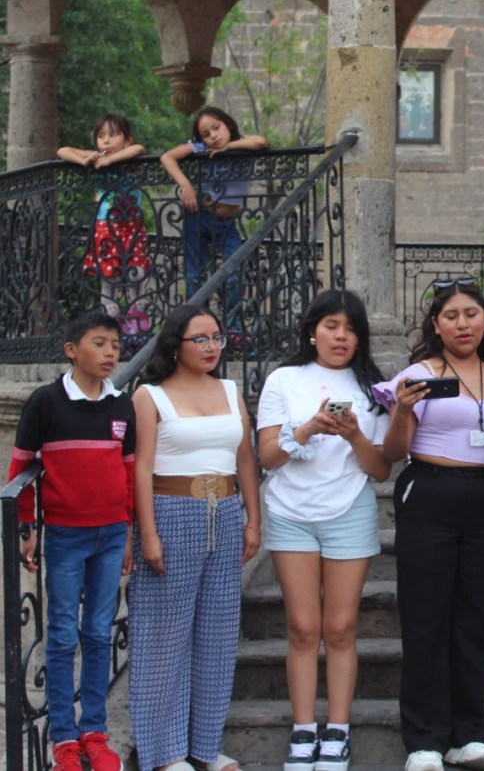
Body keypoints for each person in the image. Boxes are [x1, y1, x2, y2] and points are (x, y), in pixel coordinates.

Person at [375, 279, 484, 771]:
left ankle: (470, 733)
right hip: (429, 493)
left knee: (477, 620)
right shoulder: (420, 374)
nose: (463, 324)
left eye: (472, 314)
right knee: (426, 618)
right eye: (451, 315)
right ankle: (425, 739)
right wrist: (404, 410)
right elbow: (393, 454)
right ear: (435, 324)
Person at [256, 290, 391, 771]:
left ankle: (337, 731)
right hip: (291, 511)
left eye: (351, 329)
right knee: (302, 627)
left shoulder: (375, 389)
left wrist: (355, 433)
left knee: (339, 627)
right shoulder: (283, 379)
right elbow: (267, 457)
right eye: (332, 326)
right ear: (312, 330)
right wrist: (309, 428)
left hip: (348, 510)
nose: (341, 336)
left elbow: (380, 472)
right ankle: (302, 731)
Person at [128, 305, 261, 771]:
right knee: (163, 635)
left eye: (217, 337)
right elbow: (141, 468)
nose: (211, 347)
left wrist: (253, 518)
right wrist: (147, 533)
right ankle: (163, 753)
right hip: (171, 509)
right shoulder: (150, 396)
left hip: (224, 510)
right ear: (174, 345)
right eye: (199, 339)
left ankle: (205, 745)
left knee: (218, 634)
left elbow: (245, 458)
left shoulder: (230, 390)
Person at [7, 311, 136, 771]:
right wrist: (28, 528)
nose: (109, 352)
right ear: (71, 350)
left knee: (99, 632)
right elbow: (20, 467)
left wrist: (127, 532)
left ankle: (94, 733)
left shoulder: (122, 405)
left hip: (109, 537)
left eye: (115, 345)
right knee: (61, 635)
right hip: (63, 536)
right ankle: (64, 737)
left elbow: (127, 472)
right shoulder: (46, 402)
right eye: (98, 343)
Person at [160, 106, 267, 328]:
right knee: (194, 274)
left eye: (216, 128)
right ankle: (196, 326)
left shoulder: (242, 146)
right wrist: (185, 184)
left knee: (234, 269)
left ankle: (232, 327)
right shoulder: (201, 148)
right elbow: (167, 157)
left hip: (226, 223)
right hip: (197, 217)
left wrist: (229, 147)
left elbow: (260, 142)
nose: (213, 136)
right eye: (206, 134)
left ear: (228, 124)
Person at [58, 114, 150, 331]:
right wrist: (85, 159)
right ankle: (111, 319)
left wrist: (109, 160)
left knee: (136, 272)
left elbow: (139, 149)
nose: (106, 141)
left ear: (126, 140)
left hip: (131, 226)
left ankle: (138, 320)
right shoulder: (96, 156)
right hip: (106, 228)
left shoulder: (130, 158)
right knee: (110, 276)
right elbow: (62, 151)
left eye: (112, 135)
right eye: (101, 136)